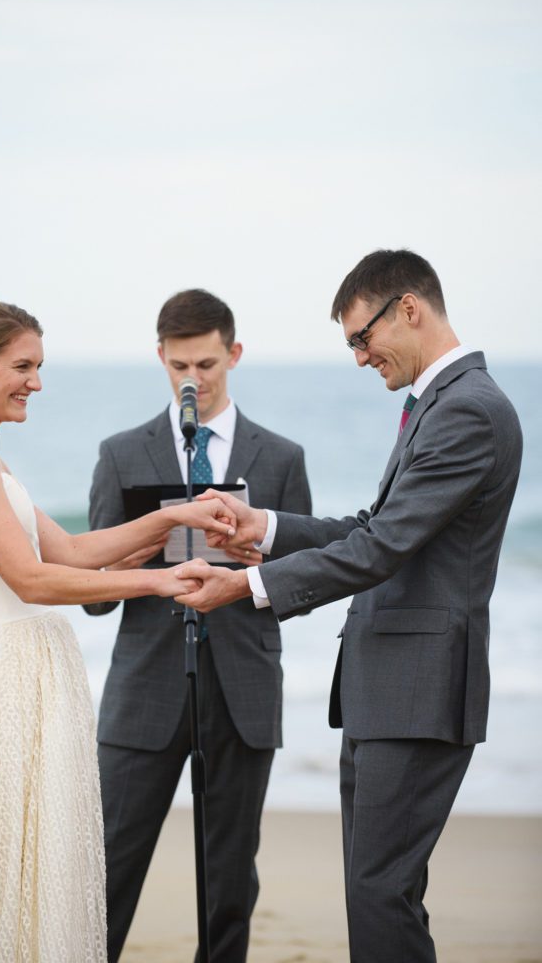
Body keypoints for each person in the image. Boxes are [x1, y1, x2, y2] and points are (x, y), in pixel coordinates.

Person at [0, 296, 237, 963]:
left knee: (24, 857)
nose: (37, 382)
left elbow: (75, 552)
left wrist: (178, 518)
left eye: (39, 366)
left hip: (25, 671)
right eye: (23, 366)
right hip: (3, 674)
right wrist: (159, 580)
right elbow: (33, 581)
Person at [174, 251, 523, 963]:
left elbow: (383, 548)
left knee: (379, 894)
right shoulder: (435, 404)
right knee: (378, 892)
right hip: (386, 689)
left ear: (410, 309)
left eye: (362, 338)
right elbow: (374, 526)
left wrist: (245, 586)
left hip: (419, 691)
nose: (360, 357)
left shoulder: (470, 412)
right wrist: (262, 528)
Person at [83, 289, 312, 962]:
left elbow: (311, 579)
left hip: (243, 692)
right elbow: (94, 595)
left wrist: (256, 564)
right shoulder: (122, 454)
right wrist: (139, 552)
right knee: (107, 874)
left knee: (229, 886)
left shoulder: (283, 457)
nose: (194, 379)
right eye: (180, 365)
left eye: (207, 364)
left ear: (233, 355)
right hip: (145, 693)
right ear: (160, 358)